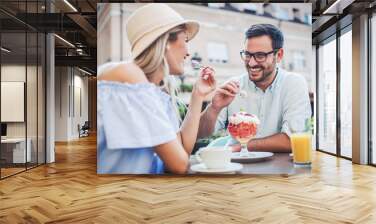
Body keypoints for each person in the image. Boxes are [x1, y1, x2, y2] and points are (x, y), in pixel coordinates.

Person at [97, 3, 216, 174]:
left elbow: (182, 150)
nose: (188, 52)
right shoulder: (128, 75)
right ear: (167, 41)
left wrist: (198, 95)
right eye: (186, 40)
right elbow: (180, 165)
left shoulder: (155, 93)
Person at [198, 24, 311, 153]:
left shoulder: (293, 83)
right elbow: (200, 134)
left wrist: (242, 147)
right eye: (247, 54)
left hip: (279, 169)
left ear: (279, 55)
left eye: (260, 55)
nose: (251, 63)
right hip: (237, 166)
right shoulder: (233, 86)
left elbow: (292, 140)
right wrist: (214, 108)